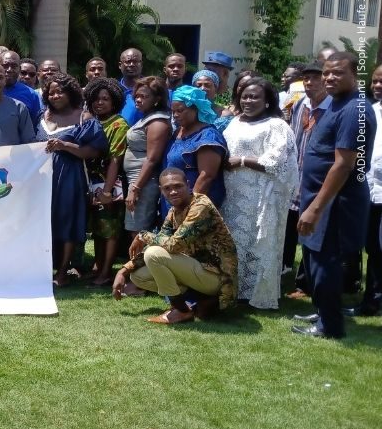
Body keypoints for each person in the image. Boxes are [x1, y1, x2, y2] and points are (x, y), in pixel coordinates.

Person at [293, 52, 377, 339]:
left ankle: (330, 326)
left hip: (334, 202)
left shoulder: (355, 110)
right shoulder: (337, 103)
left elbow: (343, 164)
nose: (329, 78)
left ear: (356, 75)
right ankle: (324, 313)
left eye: (338, 73)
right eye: (327, 72)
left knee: (325, 261)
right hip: (322, 199)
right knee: (315, 259)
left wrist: (316, 208)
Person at [112, 168, 238, 324]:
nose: (173, 192)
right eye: (167, 188)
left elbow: (173, 245)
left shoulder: (201, 206)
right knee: (137, 276)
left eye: (178, 186)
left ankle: (180, 310)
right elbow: (161, 240)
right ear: (161, 190)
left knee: (154, 254)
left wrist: (142, 235)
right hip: (197, 271)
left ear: (188, 185)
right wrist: (124, 270)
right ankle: (190, 303)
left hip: (218, 278)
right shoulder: (174, 211)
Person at [221, 78, 298, 310]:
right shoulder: (234, 122)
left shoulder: (276, 125)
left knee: (258, 243)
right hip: (232, 193)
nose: (248, 100)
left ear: (267, 102)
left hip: (260, 195)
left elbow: (276, 161)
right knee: (234, 241)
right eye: (244, 96)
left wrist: (242, 161)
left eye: (255, 97)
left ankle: (256, 295)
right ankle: (233, 289)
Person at [41, 74, 107, 287]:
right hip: (42, 178)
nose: (55, 95)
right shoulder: (42, 116)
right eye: (51, 92)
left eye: (60, 91)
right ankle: (43, 267)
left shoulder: (84, 118)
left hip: (70, 175)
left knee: (67, 221)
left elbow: (93, 151)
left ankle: (62, 272)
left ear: (71, 93)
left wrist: (65, 146)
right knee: (44, 221)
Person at [286, 62, 329, 299]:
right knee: (297, 230)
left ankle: (311, 285)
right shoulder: (301, 104)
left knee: (315, 234)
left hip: (319, 180)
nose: (310, 83)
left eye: (316, 78)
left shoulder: (332, 108)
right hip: (297, 176)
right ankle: (299, 279)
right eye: (307, 79)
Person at [84, 77, 131, 286]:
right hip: (91, 181)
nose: (99, 103)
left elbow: (115, 158)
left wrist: (107, 191)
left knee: (110, 229)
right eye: (96, 99)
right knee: (97, 228)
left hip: (111, 182)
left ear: (114, 102)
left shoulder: (118, 124)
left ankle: (105, 272)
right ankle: (97, 266)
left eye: (105, 99)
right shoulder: (93, 122)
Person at [164, 85, 227, 213]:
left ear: (196, 109)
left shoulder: (207, 136)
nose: (175, 115)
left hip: (194, 207)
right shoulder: (178, 132)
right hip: (175, 202)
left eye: (180, 110)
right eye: (173, 111)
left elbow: (206, 176)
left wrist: (188, 210)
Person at [124, 76, 172, 234]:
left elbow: (152, 159)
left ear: (157, 99)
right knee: (134, 227)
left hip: (143, 182)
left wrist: (136, 188)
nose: (138, 99)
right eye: (136, 96)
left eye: (144, 96)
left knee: (138, 229)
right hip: (136, 180)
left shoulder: (158, 122)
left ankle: (141, 259)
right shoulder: (147, 118)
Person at [358, 63, 382, 315]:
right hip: (370, 191)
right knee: (373, 247)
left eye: (381, 82)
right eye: (374, 81)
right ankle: (371, 300)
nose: (376, 86)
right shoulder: (370, 111)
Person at [116, 48, 144, 125]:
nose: (132, 65)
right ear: (120, 65)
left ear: (141, 64)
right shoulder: (112, 89)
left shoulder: (151, 88)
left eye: (135, 61)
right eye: (128, 62)